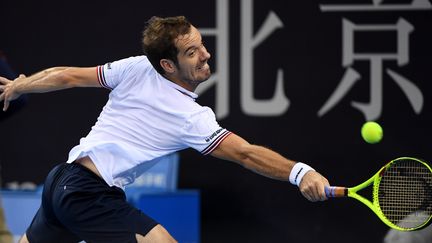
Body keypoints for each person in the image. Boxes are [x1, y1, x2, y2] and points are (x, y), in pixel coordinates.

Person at [0, 16, 330, 243]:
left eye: (201, 45)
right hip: (87, 193)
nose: (206, 55)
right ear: (168, 65)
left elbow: (68, 75)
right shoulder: (190, 116)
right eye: (192, 52)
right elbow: (245, 153)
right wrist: (300, 173)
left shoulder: (136, 67)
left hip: (61, 182)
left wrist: (20, 86)